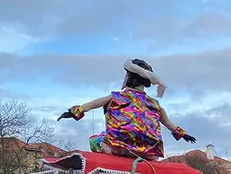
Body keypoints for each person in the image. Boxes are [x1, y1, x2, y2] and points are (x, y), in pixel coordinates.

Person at [58, 59, 196, 160]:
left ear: (129, 78)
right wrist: (184, 135)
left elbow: (92, 104)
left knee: (94, 140)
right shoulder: (155, 104)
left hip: (116, 147)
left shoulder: (116, 97)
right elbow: (170, 125)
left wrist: (73, 112)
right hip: (148, 152)